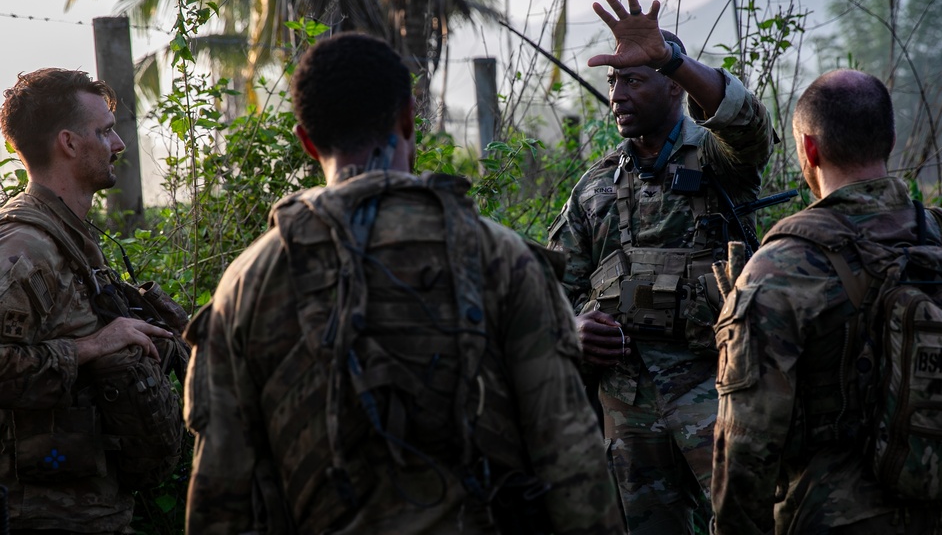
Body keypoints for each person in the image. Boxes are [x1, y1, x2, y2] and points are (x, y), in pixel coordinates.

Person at [183, 32, 624, 534]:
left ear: (306, 140)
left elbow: (220, 492)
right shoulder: (500, 256)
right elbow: (570, 457)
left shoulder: (247, 280)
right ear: (409, 118)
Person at [711, 69, 942, 534]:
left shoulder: (781, 266)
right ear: (888, 139)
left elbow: (746, 441)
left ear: (808, 149)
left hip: (835, 516)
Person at [547, 0, 775, 533]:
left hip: (715, 384)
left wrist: (671, 59)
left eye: (634, 80)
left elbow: (748, 128)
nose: (617, 96)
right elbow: (555, 281)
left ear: (673, 89)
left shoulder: (718, 158)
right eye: (612, 82)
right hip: (627, 396)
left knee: (748, 519)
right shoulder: (595, 186)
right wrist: (575, 325)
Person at [0, 68, 186, 533]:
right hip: (45, 516)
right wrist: (91, 347)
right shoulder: (23, 248)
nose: (118, 144)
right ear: (68, 143)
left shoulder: (69, 235)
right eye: (104, 132)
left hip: (92, 506)